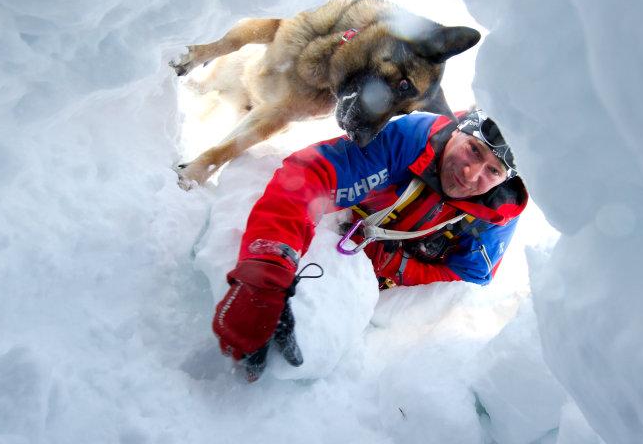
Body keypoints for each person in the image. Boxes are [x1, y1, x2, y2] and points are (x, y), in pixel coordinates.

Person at [211, 109, 528, 380]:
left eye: (493, 170)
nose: (471, 174)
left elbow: (468, 280)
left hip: (387, 294)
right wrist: (267, 269)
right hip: (335, 242)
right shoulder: (412, 140)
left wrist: (395, 266)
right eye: (474, 150)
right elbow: (310, 176)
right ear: (459, 130)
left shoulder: (498, 212)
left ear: (506, 179)